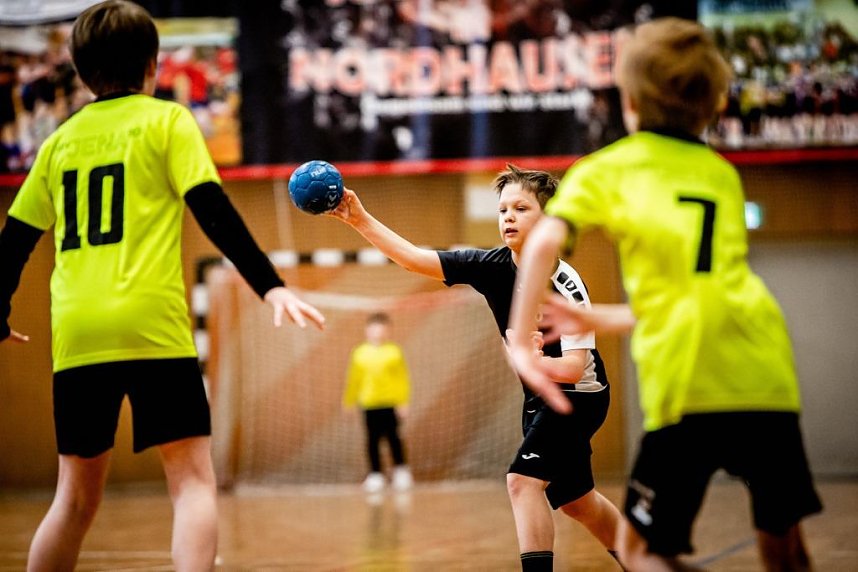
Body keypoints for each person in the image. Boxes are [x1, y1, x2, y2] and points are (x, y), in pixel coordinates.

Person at [0, 2, 325, 571]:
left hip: (78, 332)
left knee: (73, 497)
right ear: (153, 65)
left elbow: (13, 241)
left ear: (78, 71)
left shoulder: (59, 142)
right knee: (193, 482)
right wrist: (270, 286)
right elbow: (213, 209)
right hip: (153, 327)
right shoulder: (167, 121)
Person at [507, 17, 823, 572]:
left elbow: (539, 249)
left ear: (628, 99)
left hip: (687, 378)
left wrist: (519, 342)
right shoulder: (720, 172)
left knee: (644, 551)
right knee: (783, 541)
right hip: (765, 369)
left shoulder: (606, 170)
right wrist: (598, 317)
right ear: (712, 103)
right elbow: (696, 291)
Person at [327, 164, 624, 571]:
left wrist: (533, 360)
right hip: (541, 396)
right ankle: (644, 560)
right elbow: (415, 260)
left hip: (578, 397)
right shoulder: (491, 266)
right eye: (503, 210)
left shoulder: (566, 282)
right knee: (577, 502)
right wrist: (359, 219)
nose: (509, 217)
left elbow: (574, 369)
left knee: (521, 482)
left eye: (521, 208)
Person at [343, 311, 414, 493]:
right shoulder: (359, 352)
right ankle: (376, 474)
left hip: (390, 403)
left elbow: (402, 378)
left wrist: (403, 401)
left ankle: (401, 471)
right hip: (369, 403)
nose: (378, 332)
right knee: (372, 439)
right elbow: (353, 379)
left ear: (388, 330)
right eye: (374, 328)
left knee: (393, 437)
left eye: (382, 329)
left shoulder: (394, 351)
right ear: (367, 330)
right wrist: (349, 401)